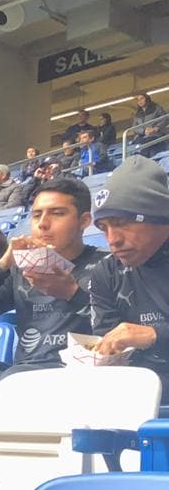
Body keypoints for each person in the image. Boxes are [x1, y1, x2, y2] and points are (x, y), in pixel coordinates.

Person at [0, 176, 107, 371]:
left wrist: (73, 294)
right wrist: (2, 265)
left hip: (85, 374)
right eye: (36, 215)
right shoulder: (22, 271)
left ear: (84, 221)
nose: (43, 224)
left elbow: (119, 328)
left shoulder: (107, 265)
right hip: (25, 375)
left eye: (57, 213)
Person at [88, 155, 169, 391]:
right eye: (103, 228)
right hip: (135, 391)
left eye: (123, 223)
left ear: (160, 219)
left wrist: (155, 334)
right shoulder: (106, 271)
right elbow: (108, 346)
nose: (113, 240)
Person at [130, 92, 166, 157]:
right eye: (138, 100)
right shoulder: (137, 114)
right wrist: (144, 131)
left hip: (155, 134)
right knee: (133, 145)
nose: (140, 101)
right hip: (142, 136)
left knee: (145, 145)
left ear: (147, 99)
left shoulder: (156, 108)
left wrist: (156, 128)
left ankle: (141, 158)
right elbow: (134, 127)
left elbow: (165, 118)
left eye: (142, 98)